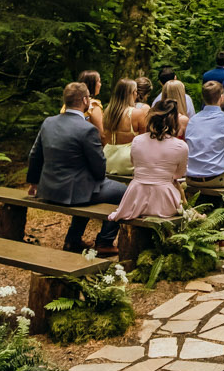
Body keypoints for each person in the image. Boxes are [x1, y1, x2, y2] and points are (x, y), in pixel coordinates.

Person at [28, 82, 123, 253]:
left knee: (88, 188)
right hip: (74, 192)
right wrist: (98, 179)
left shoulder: (48, 122)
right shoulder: (87, 129)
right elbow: (99, 167)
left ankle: (73, 240)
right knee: (125, 192)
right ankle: (105, 241)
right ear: (86, 100)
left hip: (48, 190)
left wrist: (34, 183)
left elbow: (35, 154)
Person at [111, 105, 186, 222]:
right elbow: (179, 174)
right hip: (164, 201)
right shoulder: (181, 146)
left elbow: (134, 163)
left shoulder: (137, 140)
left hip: (135, 198)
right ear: (174, 122)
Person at [100, 78, 141, 177]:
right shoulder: (136, 113)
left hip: (107, 158)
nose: (137, 95)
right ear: (131, 93)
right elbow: (144, 141)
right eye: (136, 91)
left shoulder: (107, 112)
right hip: (127, 161)